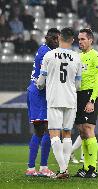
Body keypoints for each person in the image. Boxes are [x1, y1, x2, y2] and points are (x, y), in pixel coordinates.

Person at [37, 27, 82, 179]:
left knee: (54, 134)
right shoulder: (77, 57)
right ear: (72, 40)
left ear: (59, 38)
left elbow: (41, 82)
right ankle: (65, 168)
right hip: (71, 99)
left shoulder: (49, 55)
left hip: (55, 98)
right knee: (67, 133)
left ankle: (63, 170)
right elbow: (78, 85)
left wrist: (39, 85)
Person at [25, 28, 60, 177]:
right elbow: (43, 80)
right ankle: (42, 167)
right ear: (47, 38)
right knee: (47, 129)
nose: (56, 42)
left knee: (41, 130)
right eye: (54, 39)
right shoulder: (46, 52)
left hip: (38, 93)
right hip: (39, 93)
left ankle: (33, 168)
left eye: (58, 39)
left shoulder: (44, 50)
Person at [73, 28, 98, 178]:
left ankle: (92, 168)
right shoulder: (78, 57)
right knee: (81, 131)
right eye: (79, 39)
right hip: (78, 95)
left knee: (88, 129)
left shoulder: (96, 56)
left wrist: (92, 100)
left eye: (83, 39)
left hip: (90, 95)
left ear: (90, 40)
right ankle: (85, 167)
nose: (80, 41)